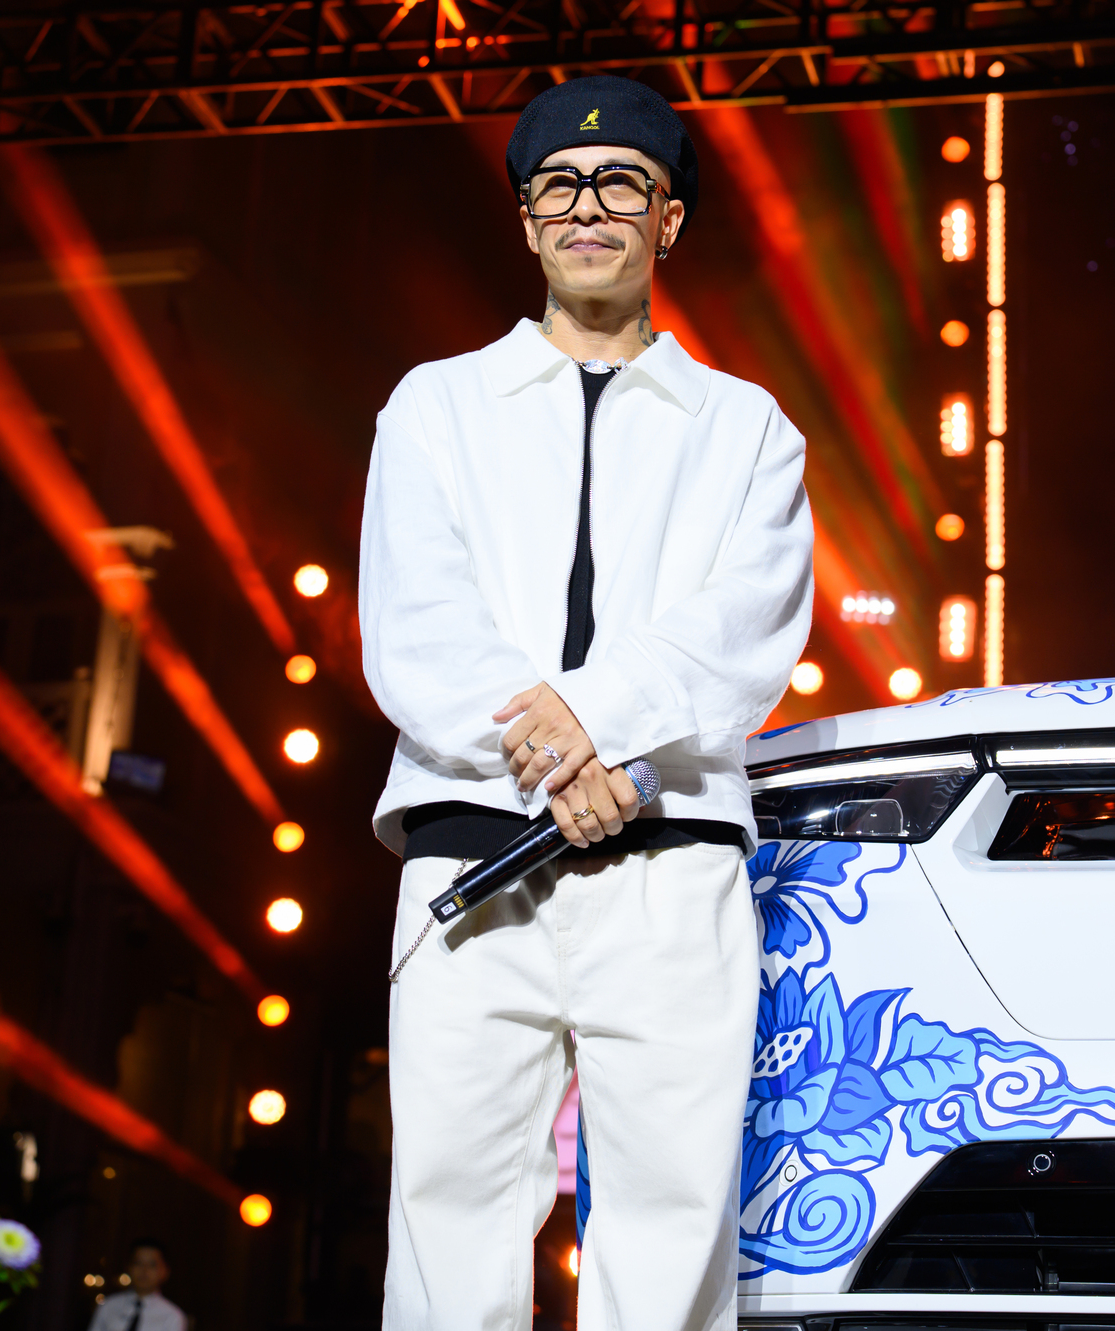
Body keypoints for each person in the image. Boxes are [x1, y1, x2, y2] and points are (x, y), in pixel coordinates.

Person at [360, 74, 814, 1331]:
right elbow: (416, 624)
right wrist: (571, 759)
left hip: (670, 858)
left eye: (622, 183)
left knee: (672, 1225)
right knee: (448, 1224)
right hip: (472, 859)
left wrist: (595, 729)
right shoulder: (435, 404)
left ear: (668, 219)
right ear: (525, 219)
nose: (587, 206)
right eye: (558, 184)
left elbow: (746, 627)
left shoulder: (747, 426)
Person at [84, 1240, 183, 1331]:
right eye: (138, 1263)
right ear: (128, 1267)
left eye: (152, 1265)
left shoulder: (172, 1316)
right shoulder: (108, 1306)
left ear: (164, 1271)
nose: (144, 1270)